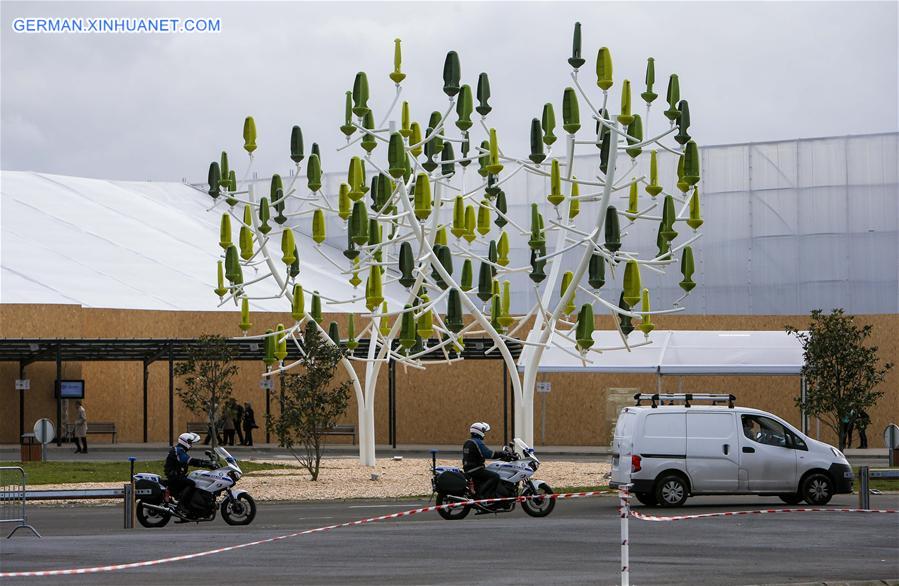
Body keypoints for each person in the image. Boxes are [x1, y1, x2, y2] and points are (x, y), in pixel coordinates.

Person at [164, 432, 214, 517]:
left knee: (194, 479)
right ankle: (181, 506)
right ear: (185, 442)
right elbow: (189, 460)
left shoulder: (180, 449)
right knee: (192, 483)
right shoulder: (178, 450)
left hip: (178, 475)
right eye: (190, 442)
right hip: (174, 477)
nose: (191, 445)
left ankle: (190, 507)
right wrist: (205, 463)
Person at [462, 422, 509, 501]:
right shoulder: (477, 442)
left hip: (469, 468)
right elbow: (488, 454)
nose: (484, 434)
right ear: (479, 431)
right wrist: (502, 454)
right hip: (475, 469)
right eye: (483, 431)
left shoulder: (468, 442)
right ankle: (481, 495)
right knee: (495, 476)